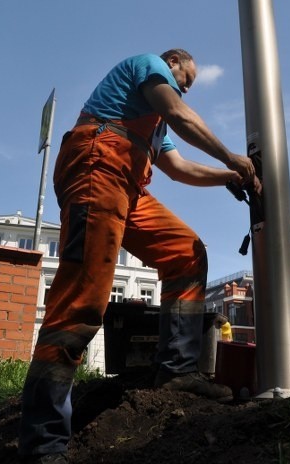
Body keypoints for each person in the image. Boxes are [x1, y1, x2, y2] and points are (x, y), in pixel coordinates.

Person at [18, 49, 260, 463]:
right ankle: (43, 443)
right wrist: (232, 157)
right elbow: (180, 113)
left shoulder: (155, 125)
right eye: (186, 75)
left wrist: (230, 176)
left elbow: (179, 168)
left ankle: (176, 372)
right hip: (97, 165)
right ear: (172, 62)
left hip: (126, 188)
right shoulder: (148, 66)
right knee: (83, 300)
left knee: (186, 251)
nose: (187, 85)